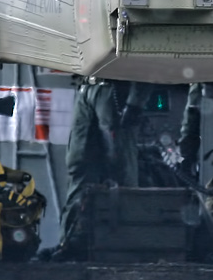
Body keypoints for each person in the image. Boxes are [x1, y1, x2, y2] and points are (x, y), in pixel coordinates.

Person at [45, 78, 151, 261]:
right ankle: (70, 241)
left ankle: (129, 242)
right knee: (78, 163)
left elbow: (147, 57)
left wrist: (136, 101)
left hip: (115, 87)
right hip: (88, 86)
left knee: (121, 167)